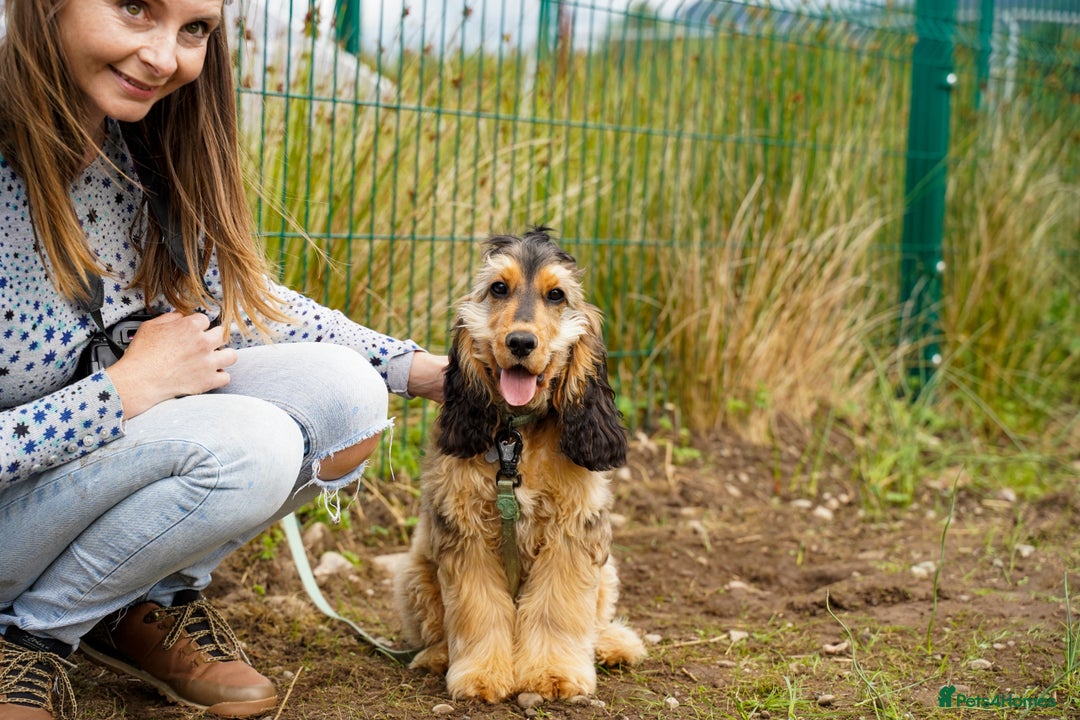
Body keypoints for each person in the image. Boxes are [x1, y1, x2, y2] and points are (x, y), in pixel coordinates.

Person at [0, 0, 447, 718]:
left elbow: (243, 305)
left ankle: (135, 600)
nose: (164, 58)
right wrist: (122, 390)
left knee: (348, 395)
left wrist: (421, 371)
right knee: (250, 446)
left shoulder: (132, 152)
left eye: (195, 29)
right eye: (134, 7)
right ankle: (29, 637)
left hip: (63, 479)